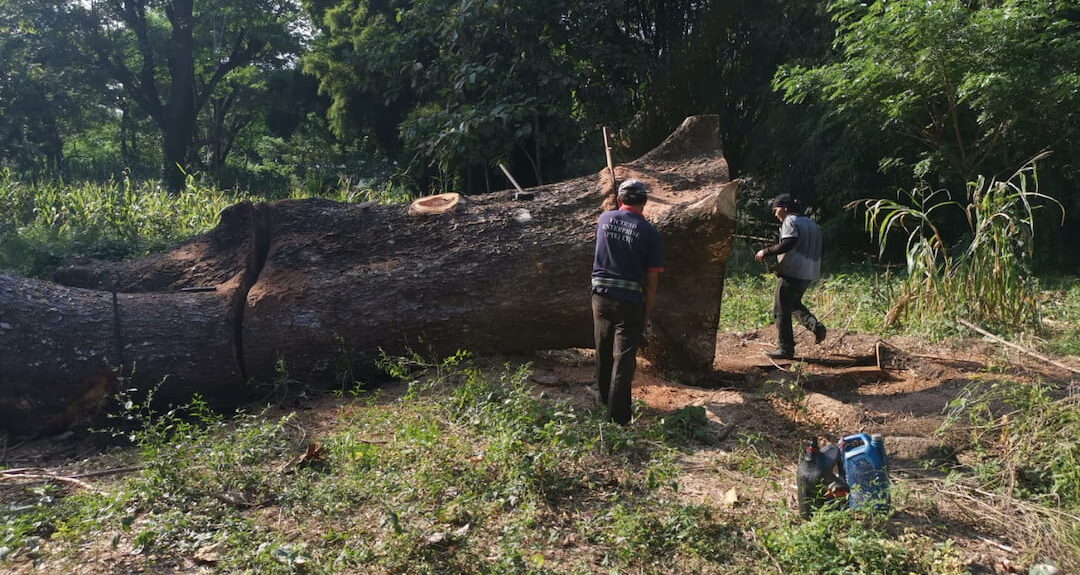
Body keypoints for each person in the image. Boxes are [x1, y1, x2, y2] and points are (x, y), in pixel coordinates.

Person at [591, 179, 663, 424]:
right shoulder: (649, 232)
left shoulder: (603, 219)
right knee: (623, 359)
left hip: (600, 296)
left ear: (620, 200)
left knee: (602, 349)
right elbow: (652, 280)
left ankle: (603, 399)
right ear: (645, 202)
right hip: (630, 301)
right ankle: (618, 418)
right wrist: (645, 316)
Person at [754, 193, 826, 359]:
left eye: (776, 209)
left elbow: (788, 243)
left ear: (785, 208)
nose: (775, 213)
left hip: (792, 272)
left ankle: (785, 349)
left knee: (780, 310)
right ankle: (815, 326)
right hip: (809, 273)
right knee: (792, 304)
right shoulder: (811, 224)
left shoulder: (790, 220)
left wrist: (765, 251)